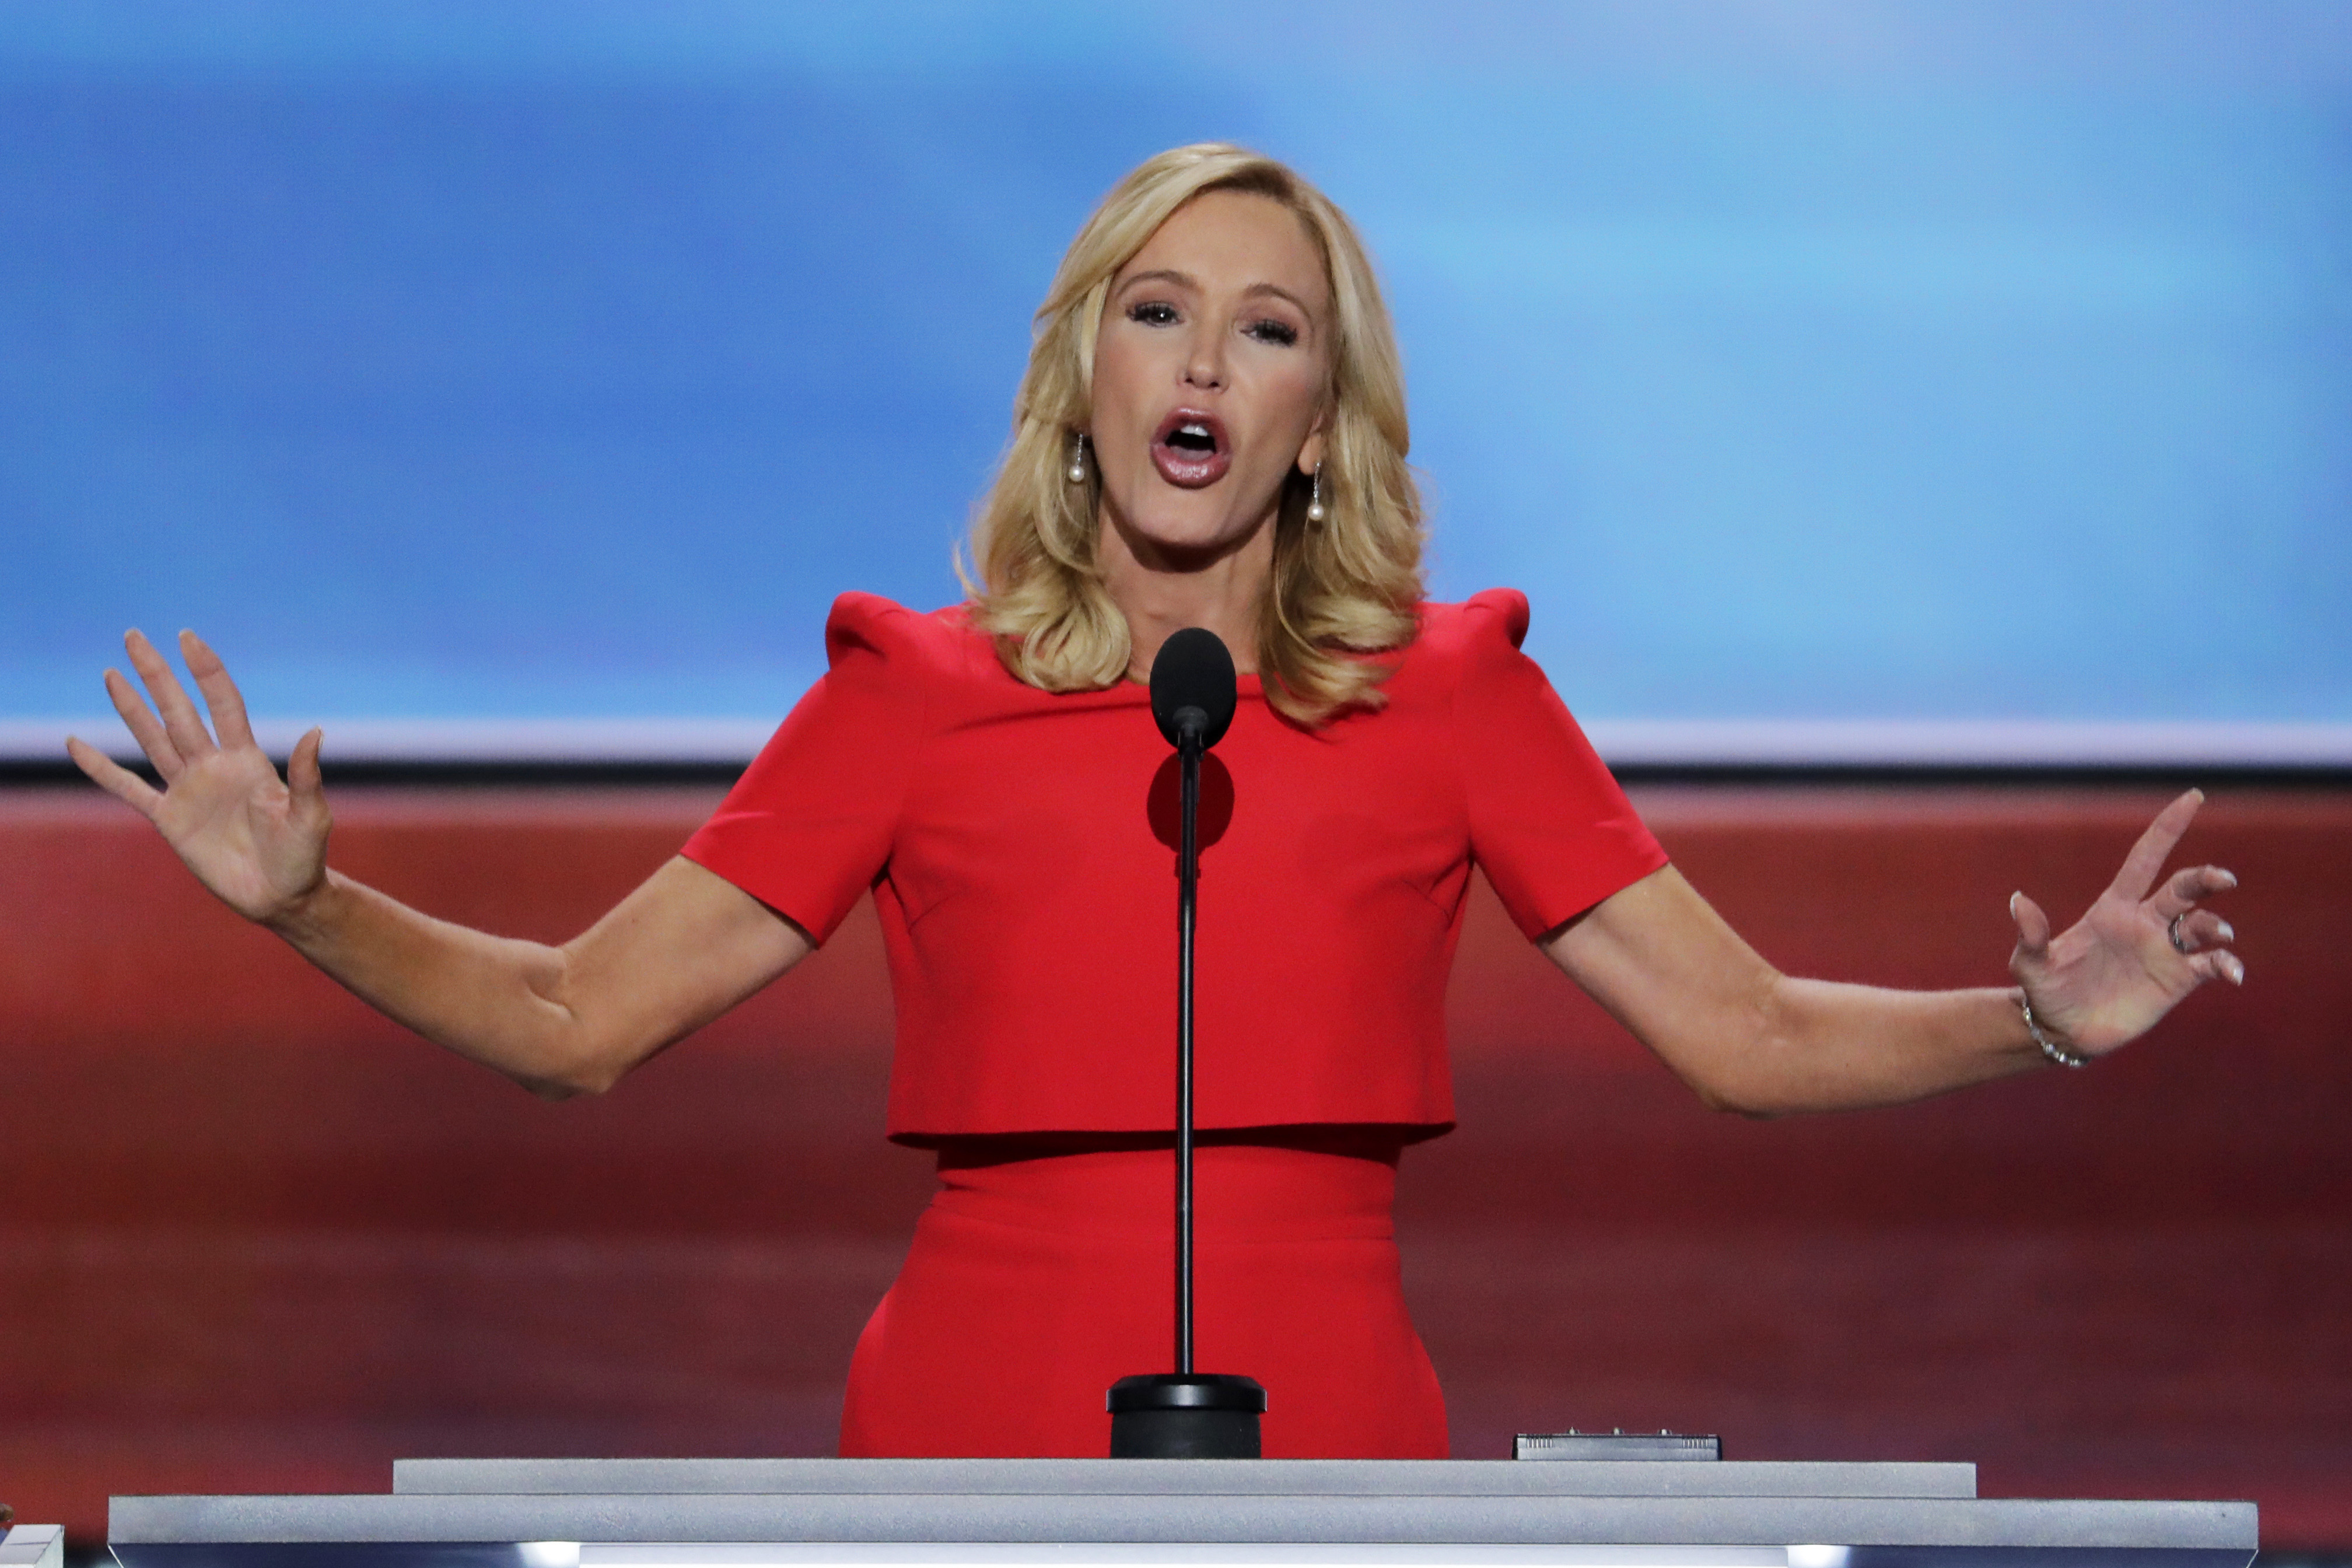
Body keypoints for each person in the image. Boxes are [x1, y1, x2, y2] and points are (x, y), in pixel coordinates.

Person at [67, 144, 2244, 1460]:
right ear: (1087, 382)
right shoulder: (910, 697)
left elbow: (1746, 1038)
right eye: (1160, 312)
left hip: (1330, 1406)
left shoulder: (1459, 692)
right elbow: (573, 1019)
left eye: (1268, 331)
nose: (1206, 365)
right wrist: (305, 909)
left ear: (1318, 421)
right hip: (968, 1413)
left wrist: (2039, 1016)